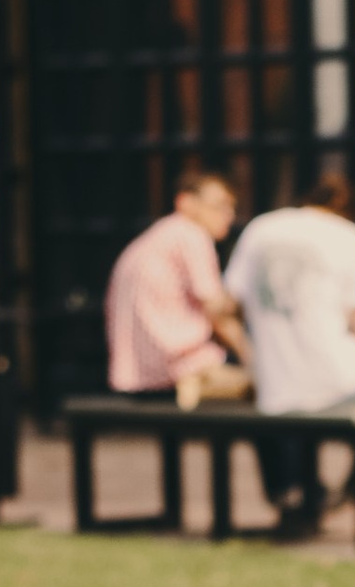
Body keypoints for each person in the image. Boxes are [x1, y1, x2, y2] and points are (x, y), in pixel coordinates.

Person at [223, 174, 355, 541]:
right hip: (336, 378)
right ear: (345, 210)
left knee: (284, 403)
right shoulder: (350, 236)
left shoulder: (261, 229)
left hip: (276, 382)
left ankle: (293, 494)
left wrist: (250, 354)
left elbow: (226, 306)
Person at [104, 165, 252, 406]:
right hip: (178, 368)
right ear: (185, 202)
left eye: (231, 208)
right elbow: (217, 313)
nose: (228, 215)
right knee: (263, 388)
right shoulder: (191, 235)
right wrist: (252, 357)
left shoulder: (158, 236)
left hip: (134, 373)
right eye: (219, 206)